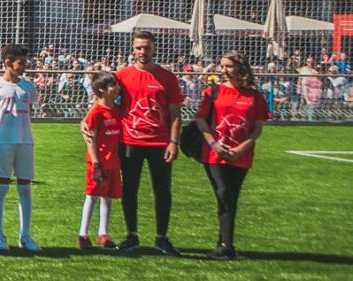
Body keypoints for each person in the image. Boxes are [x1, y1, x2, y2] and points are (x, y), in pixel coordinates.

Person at [188, 52, 269, 260]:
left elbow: (257, 128)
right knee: (224, 193)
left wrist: (241, 148)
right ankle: (225, 245)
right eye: (222, 66)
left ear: (240, 68)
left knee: (231, 197)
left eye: (228, 66)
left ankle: (225, 244)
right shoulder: (213, 91)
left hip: (241, 154)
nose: (223, 70)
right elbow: (201, 120)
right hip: (214, 153)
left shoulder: (255, 96)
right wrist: (213, 144)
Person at [115, 31, 184, 254]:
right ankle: (131, 235)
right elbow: (107, 103)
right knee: (129, 189)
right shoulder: (122, 75)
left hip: (160, 143)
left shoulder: (167, 77)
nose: (142, 52)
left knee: (162, 190)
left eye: (146, 47)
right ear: (132, 49)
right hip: (129, 141)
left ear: (154, 49)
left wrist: (174, 141)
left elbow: (175, 113)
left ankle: (161, 237)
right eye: (138, 48)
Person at [0, 44, 41, 252]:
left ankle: (25, 235)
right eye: (21, 63)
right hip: (3, 141)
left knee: (24, 187)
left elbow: (29, 114)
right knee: (1, 186)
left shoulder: (28, 86)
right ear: (8, 63)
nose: (25, 66)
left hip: (25, 141)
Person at [78, 74, 123, 250]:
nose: (117, 88)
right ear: (101, 90)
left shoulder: (116, 110)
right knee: (92, 196)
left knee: (107, 197)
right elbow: (91, 139)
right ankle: (83, 233)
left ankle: (103, 233)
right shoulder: (96, 112)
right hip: (99, 163)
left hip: (113, 162)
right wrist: (96, 162)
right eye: (113, 85)